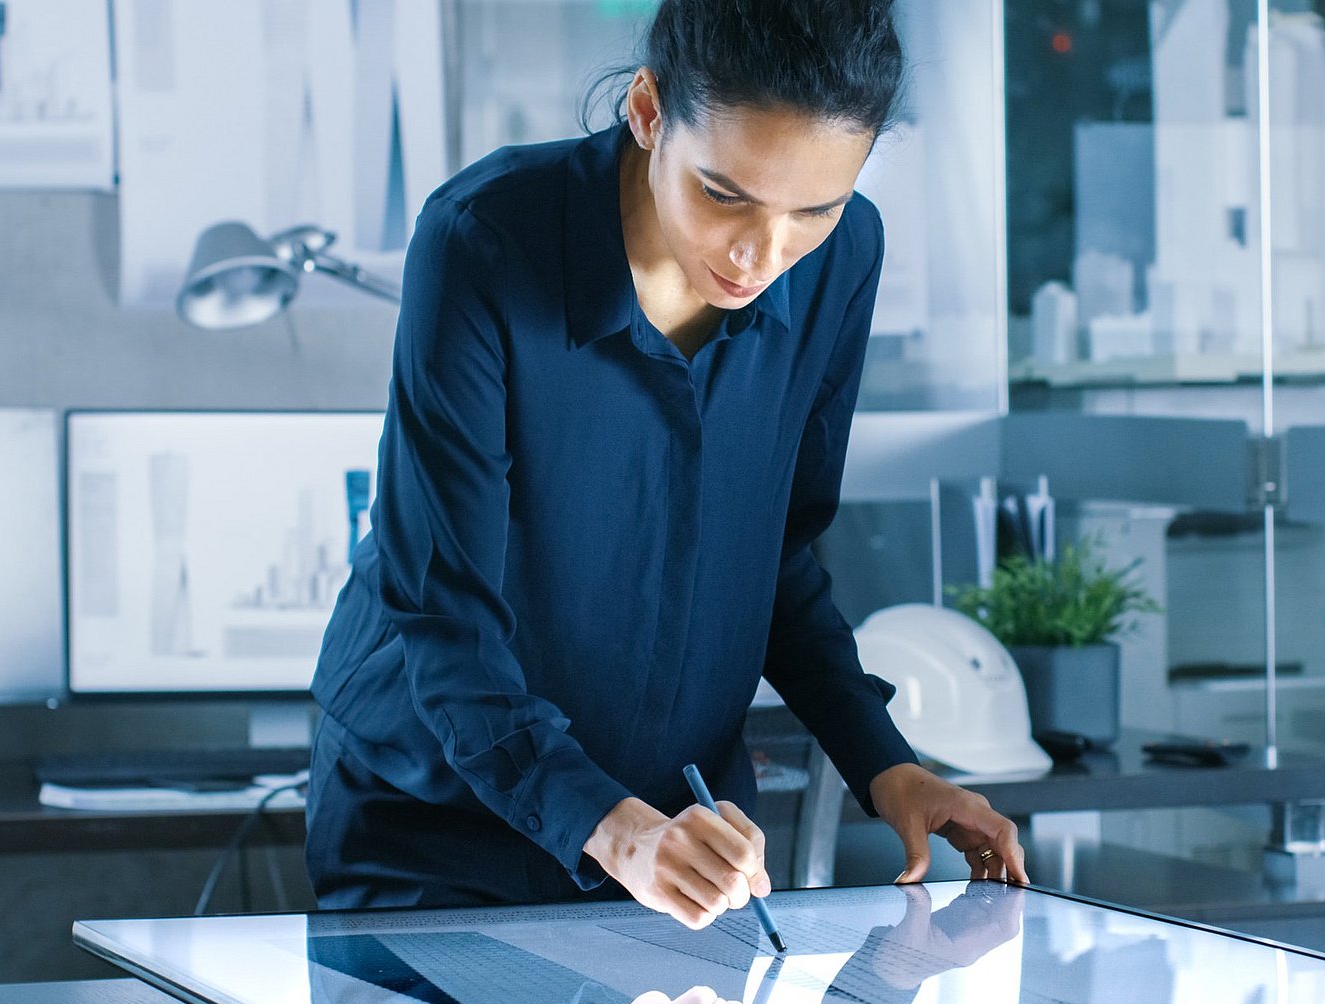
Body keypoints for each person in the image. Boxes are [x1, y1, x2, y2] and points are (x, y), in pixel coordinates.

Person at [305, 0, 1027, 926]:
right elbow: (443, 612)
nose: (761, 255)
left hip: (684, 832)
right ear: (648, 112)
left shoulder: (841, 258)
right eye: (724, 194)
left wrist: (887, 766)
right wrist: (616, 830)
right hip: (438, 822)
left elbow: (774, 561)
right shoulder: (483, 241)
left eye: (815, 207)